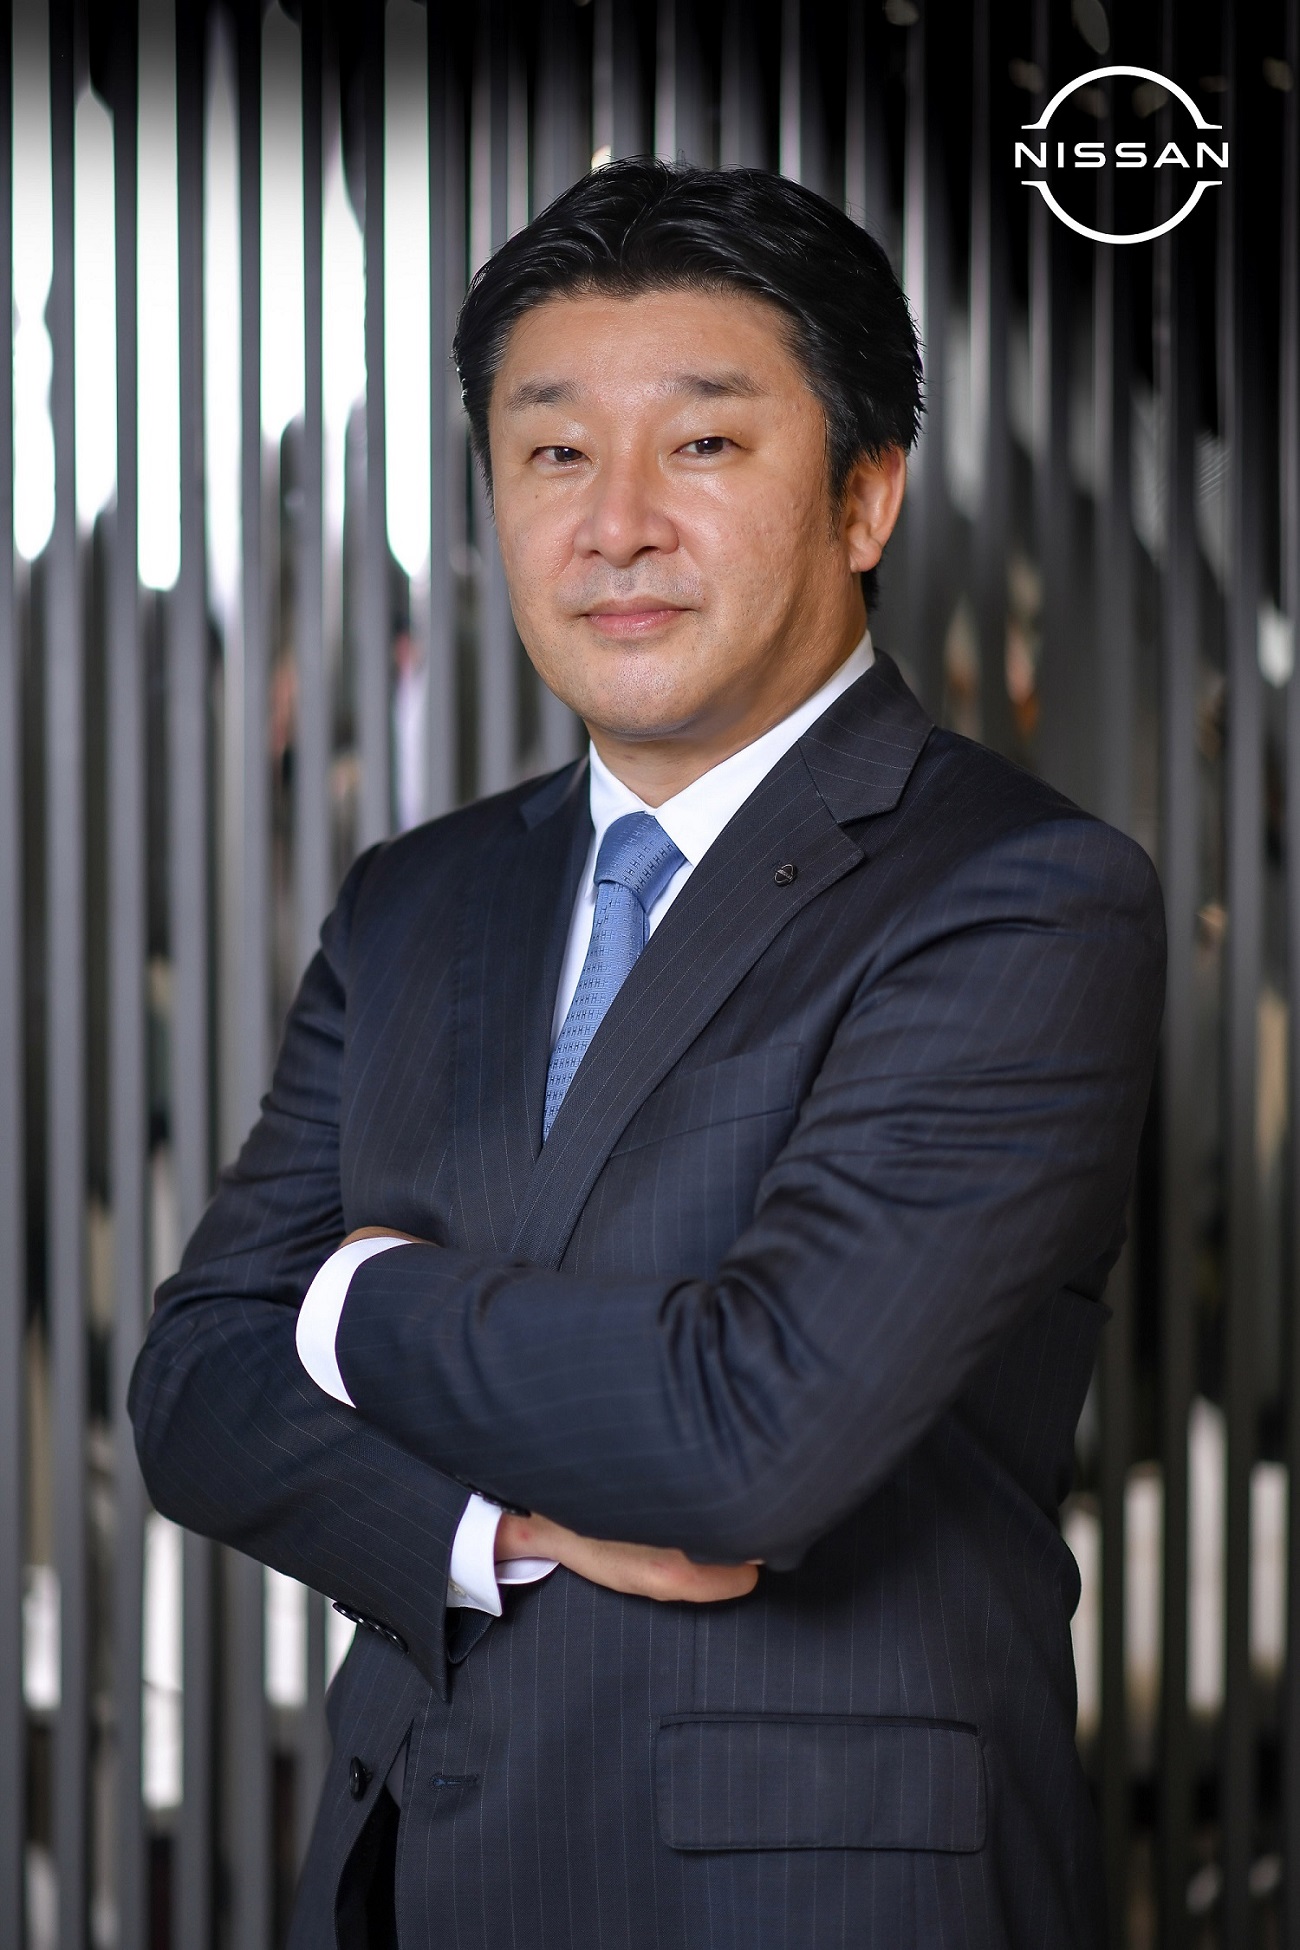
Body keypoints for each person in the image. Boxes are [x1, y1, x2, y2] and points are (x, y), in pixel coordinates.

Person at [130, 160, 1164, 1950]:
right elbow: (195, 1383)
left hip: (809, 1898)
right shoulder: (416, 898)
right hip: (402, 1875)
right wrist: (499, 1526)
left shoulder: (1018, 895)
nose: (614, 525)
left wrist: (353, 1296)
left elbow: (748, 1431)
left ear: (863, 495)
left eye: (701, 445)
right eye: (553, 451)